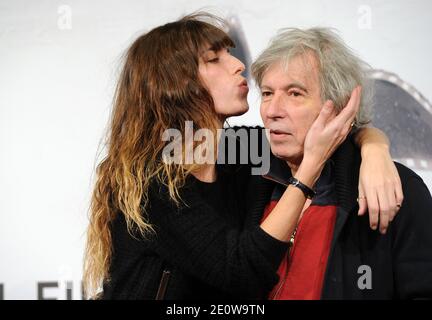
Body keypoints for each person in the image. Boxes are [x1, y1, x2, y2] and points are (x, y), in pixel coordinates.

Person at [83, 14, 403, 300]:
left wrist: (374, 147)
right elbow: (240, 272)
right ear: (176, 85)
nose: (238, 64)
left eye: (229, 53)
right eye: (214, 59)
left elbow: (318, 135)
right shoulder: (152, 177)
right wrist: (308, 170)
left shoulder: (237, 152)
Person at [251, 27, 432, 299]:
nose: (273, 111)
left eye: (295, 93)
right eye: (267, 93)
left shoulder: (396, 187)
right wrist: (373, 141)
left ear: (340, 107)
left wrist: (372, 146)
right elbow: (181, 144)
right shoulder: (248, 168)